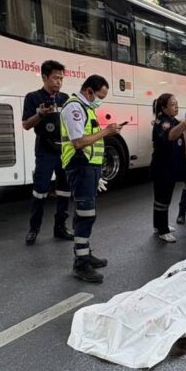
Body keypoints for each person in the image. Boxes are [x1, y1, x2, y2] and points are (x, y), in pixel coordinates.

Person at [60, 75, 122, 283]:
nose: (100, 100)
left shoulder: (87, 108)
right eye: (100, 96)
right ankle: (81, 264)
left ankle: (85, 253)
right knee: (85, 215)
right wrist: (107, 132)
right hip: (80, 167)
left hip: (89, 168)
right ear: (88, 91)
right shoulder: (74, 108)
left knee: (88, 213)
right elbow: (78, 142)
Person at [22, 60, 73, 245]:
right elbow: (26, 125)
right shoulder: (33, 97)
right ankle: (33, 229)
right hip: (45, 152)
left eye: (61, 78)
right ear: (44, 77)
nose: (59, 82)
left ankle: (60, 228)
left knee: (64, 191)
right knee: (40, 191)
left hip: (64, 151)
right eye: (55, 78)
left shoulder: (65, 98)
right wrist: (41, 114)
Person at [150, 93, 186, 242]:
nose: (176, 106)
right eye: (172, 104)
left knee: (164, 198)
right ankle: (163, 230)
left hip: (170, 167)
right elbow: (170, 136)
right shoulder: (163, 122)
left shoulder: (172, 120)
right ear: (164, 108)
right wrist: (185, 123)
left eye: (176, 103)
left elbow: (183, 135)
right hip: (162, 167)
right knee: (162, 199)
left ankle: (159, 225)